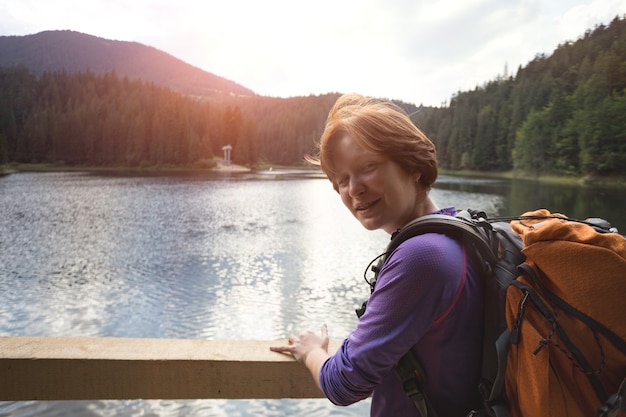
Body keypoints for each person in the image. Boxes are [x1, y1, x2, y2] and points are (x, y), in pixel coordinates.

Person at [270, 93, 484, 416]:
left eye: (367, 166)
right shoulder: (454, 234)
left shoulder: (422, 256)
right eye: (342, 179)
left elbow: (342, 382)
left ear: (412, 166)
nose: (353, 188)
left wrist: (312, 352)